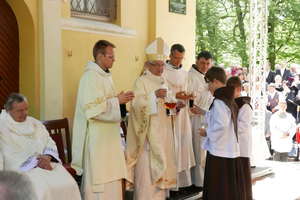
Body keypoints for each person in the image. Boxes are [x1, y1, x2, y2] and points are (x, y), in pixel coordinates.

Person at [71, 40, 135, 199]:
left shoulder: (105, 76)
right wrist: (117, 101)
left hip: (109, 138)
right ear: (100, 56)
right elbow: (93, 110)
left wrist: (120, 103)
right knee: (100, 181)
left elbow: (105, 102)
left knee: (112, 178)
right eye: (111, 57)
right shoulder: (91, 77)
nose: (114, 60)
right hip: (97, 139)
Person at [0, 93, 81, 200]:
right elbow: (10, 152)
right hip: (23, 168)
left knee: (69, 183)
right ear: (8, 109)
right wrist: (38, 162)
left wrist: (47, 157)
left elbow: (49, 141)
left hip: (46, 163)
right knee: (43, 188)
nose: (25, 113)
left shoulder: (34, 122)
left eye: (26, 109)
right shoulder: (2, 126)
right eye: (20, 111)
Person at [125, 37, 177, 200]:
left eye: (163, 65)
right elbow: (135, 105)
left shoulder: (163, 81)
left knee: (159, 183)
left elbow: (168, 105)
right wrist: (153, 96)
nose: (161, 69)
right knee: (147, 178)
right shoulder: (141, 81)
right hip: (148, 138)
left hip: (163, 133)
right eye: (157, 65)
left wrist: (177, 106)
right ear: (149, 65)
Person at [190, 67, 245, 200]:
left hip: (220, 151)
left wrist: (206, 132)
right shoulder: (227, 98)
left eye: (208, 82)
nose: (207, 86)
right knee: (226, 188)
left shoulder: (220, 100)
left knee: (219, 187)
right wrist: (203, 112)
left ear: (215, 81)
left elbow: (221, 124)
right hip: (227, 149)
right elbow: (222, 117)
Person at [162, 43, 195, 191]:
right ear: (170, 55)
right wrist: (175, 96)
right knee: (171, 146)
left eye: (182, 59)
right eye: (177, 58)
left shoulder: (185, 74)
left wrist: (189, 97)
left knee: (182, 147)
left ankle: (181, 183)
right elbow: (160, 92)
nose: (179, 62)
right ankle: (170, 184)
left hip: (182, 116)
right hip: (168, 114)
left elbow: (188, 90)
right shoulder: (162, 71)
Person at [188, 51, 213, 188]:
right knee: (198, 149)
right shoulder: (190, 76)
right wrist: (208, 93)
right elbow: (191, 99)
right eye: (202, 63)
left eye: (208, 64)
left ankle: (205, 179)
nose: (205, 66)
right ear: (197, 62)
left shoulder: (210, 76)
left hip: (208, 116)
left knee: (206, 150)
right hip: (195, 119)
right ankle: (197, 180)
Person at [226, 76, 253, 200]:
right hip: (233, 145)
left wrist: (227, 128)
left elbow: (243, 126)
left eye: (230, 89)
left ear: (238, 89)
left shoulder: (245, 105)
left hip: (241, 146)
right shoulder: (232, 103)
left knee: (243, 177)